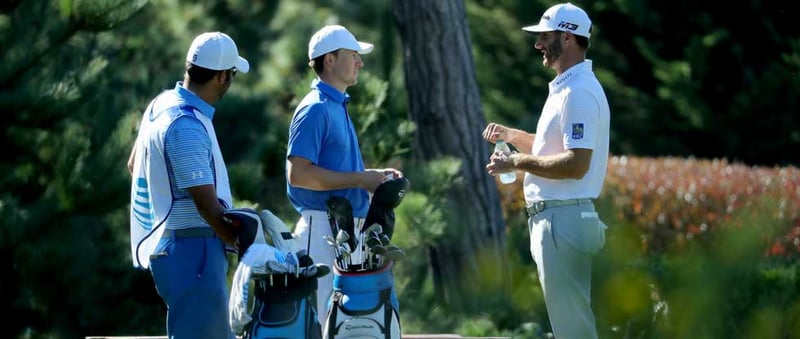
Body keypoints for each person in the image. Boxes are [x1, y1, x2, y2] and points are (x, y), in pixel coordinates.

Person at [483, 3, 610, 339]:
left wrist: (515, 162)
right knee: (569, 323)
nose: (538, 44)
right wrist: (512, 138)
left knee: (573, 328)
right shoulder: (567, 87)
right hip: (558, 221)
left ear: (567, 38)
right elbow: (548, 147)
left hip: (563, 222)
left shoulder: (578, 91)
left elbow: (576, 164)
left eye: (545, 37)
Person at [127, 31, 249, 339]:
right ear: (222, 76)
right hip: (194, 251)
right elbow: (206, 206)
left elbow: (134, 165)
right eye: (232, 74)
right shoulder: (186, 125)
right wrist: (242, 246)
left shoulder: (162, 104)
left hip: (180, 248)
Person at [286, 24, 403, 323]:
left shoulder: (335, 105)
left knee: (345, 324)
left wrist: (369, 175)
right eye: (353, 55)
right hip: (321, 230)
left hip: (342, 231)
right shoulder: (314, 109)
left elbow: (331, 170)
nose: (360, 63)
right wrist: (360, 179)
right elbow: (298, 174)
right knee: (321, 322)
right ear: (330, 60)